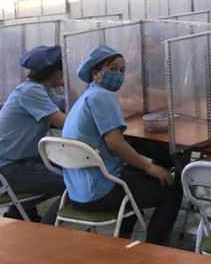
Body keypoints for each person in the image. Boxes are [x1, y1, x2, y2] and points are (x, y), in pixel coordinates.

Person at [61, 45, 182, 245]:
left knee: (136, 178)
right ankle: (156, 250)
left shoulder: (86, 98)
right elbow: (115, 145)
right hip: (101, 191)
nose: (118, 75)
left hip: (76, 191)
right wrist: (151, 167)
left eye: (122, 70)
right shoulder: (102, 96)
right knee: (172, 188)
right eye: (112, 69)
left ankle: (124, 237)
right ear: (96, 74)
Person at [0, 45, 66, 224]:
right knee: (72, 183)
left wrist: (68, 84)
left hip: (22, 161)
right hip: (8, 168)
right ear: (56, 72)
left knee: (75, 170)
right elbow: (66, 123)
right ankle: (46, 231)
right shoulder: (31, 92)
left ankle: (20, 212)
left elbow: (71, 107)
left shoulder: (42, 90)